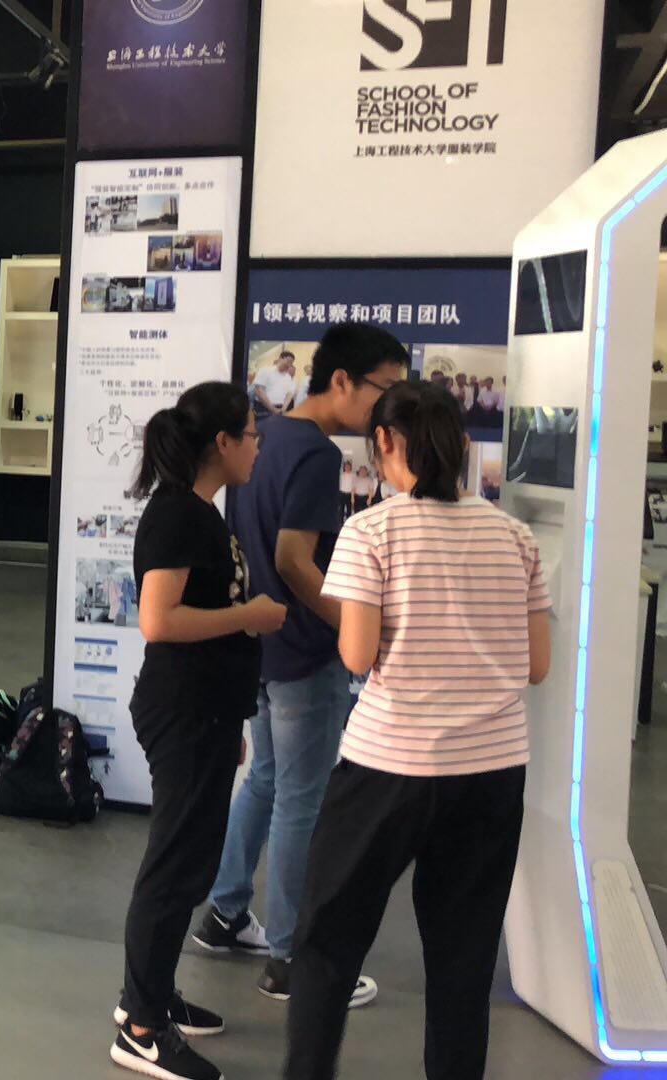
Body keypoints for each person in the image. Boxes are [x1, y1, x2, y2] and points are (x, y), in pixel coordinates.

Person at [287, 381, 551, 1080]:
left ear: (383, 442)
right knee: (464, 960)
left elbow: (356, 655)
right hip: (492, 770)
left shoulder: (370, 531)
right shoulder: (514, 536)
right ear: (461, 444)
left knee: (328, 942)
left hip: (388, 765)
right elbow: (537, 665)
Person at [191, 322, 408, 1010]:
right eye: (384, 390)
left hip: (261, 644)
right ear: (342, 381)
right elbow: (293, 559)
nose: (389, 409)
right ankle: (290, 958)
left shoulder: (269, 437)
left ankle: (225, 912)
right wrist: (353, 624)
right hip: (302, 650)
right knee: (301, 799)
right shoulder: (314, 453)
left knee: (267, 780)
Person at [111, 381, 286, 1080]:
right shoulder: (180, 514)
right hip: (183, 712)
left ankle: (150, 994)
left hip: (205, 713)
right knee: (174, 868)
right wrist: (251, 616)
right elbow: (159, 621)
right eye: (251, 435)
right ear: (222, 441)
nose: (257, 447)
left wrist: (230, 719)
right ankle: (141, 1026)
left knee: (189, 864)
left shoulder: (199, 511)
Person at [252, 351, 298, 418]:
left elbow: (289, 394)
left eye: (291, 363)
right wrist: (273, 409)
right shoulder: (265, 371)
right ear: (280, 359)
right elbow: (259, 391)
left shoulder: (288, 377)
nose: (289, 365)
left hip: (280, 409)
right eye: (288, 361)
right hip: (263, 408)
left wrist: (283, 409)